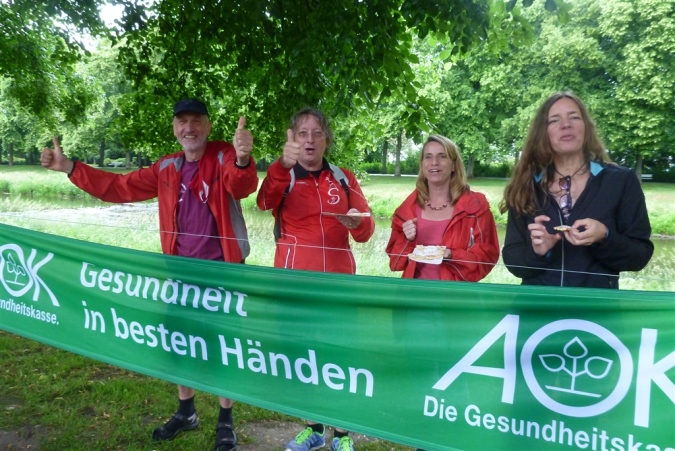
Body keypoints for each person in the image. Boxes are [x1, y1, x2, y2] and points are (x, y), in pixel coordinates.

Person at [40, 98, 257, 451]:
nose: (189, 128)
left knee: (223, 347)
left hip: (224, 273)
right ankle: (186, 412)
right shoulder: (167, 166)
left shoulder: (224, 155)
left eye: (196, 121)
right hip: (180, 274)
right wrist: (69, 167)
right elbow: (119, 187)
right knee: (180, 344)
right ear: (174, 128)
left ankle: (225, 421)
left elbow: (242, 185)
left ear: (208, 126)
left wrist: (244, 158)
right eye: (182, 121)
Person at [256, 107, 374, 451]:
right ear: (293, 138)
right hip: (294, 285)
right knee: (300, 356)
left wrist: (358, 222)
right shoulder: (284, 175)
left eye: (317, 133)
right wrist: (281, 166)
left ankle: (342, 434)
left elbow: (366, 228)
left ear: (326, 140)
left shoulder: (343, 177)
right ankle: (312, 427)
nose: (310, 139)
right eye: (302, 133)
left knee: (339, 356)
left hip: (339, 284)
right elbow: (263, 201)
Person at [499, 91, 653, 288]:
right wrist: (538, 252)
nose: (566, 125)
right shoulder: (527, 184)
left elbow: (640, 256)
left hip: (596, 305)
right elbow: (513, 261)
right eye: (554, 120)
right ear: (542, 133)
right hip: (538, 305)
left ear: (586, 128)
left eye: (574, 117)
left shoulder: (620, 181)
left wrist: (605, 236)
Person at [386, 134, 499, 281]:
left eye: (442, 156)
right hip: (412, 292)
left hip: (454, 294)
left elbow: (487, 259)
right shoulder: (407, 209)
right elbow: (395, 262)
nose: (434, 162)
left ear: (453, 165)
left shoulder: (475, 208)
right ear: (422, 164)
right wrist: (408, 239)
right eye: (428, 157)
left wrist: (452, 255)